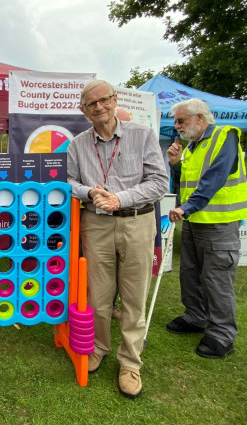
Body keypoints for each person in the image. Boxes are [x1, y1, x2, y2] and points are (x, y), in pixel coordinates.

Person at [67, 80, 168, 398]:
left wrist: (120, 199)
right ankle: (98, 348)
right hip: (95, 225)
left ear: (114, 100)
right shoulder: (77, 145)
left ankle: (130, 363)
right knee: (98, 296)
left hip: (136, 222)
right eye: (91, 104)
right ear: (83, 111)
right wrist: (88, 191)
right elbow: (68, 181)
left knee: (134, 298)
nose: (99, 107)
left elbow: (159, 182)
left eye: (104, 100)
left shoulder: (142, 135)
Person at [166, 98, 245, 359]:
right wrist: (176, 164)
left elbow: (214, 179)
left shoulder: (225, 136)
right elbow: (184, 183)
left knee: (216, 279)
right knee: (190, 274)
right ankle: (195, 317)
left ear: (200, 118)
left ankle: (221, 335)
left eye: (181, 120)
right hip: (193, 222)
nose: (177, 126)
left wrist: (187, 208)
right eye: (176, 121)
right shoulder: (192, 147)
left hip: (219, 224)